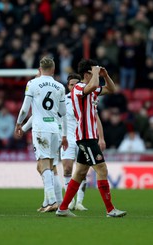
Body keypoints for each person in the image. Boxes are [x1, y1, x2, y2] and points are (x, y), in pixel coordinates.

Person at [56, 59, 127, 217]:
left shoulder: (90, 88)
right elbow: (93, 85)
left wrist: (106, 75)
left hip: (90, 136)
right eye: (92, 72)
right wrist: (95, 72)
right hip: (85, 136)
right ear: (86, 74)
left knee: (80, 173)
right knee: (102, 169)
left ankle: (62, 208)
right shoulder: (79, 88)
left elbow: (111, 89)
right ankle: (110, 210)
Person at [15, 56, 67, 213]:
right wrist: (64, 135)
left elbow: (25, 109)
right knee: (51, 166)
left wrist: (18, 123)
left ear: (39, 68)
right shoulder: (60, 87)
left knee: (43, 164)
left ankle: (52, 201)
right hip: (55, 129)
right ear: (53, 69)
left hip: (40, 129)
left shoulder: (32, 83)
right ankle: (57, 202)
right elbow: (63, 113)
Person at [61, 73, 106, 211]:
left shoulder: (86, 97)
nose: (75, 86)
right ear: (68, 87)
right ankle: (69, 202)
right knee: (68, 168)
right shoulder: (63, 100)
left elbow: (95, 117)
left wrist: (101, 137)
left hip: (83, 136)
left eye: (76, 83)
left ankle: (79, 201)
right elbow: (59, 118)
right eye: (71, 84)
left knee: (82, 170)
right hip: (68, 138)